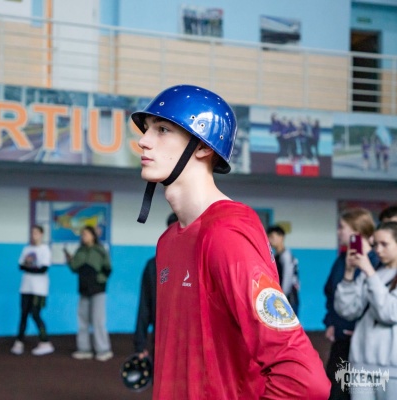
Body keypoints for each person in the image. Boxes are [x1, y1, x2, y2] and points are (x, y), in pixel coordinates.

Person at [131, 84, 330, 398]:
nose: (143, 140)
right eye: (147, 129)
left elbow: (306, 380)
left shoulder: (226, 234)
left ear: (202, 147)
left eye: (163, 130)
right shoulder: (168, 241)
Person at [334, 221, 397, 399]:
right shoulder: (372, 273)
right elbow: (347, 311)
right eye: (375, 244)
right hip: (360, 364)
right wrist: (349, 272)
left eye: (384, 244)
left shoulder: (371, 273)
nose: (378, 250)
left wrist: (369, 272)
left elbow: (389, 313)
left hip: (392, 368)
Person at [324, 207, 379, 400]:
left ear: (357, 231)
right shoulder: (342, 260)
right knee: (335, 390)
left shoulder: (376, 262)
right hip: (342, 340)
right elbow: (331, 292)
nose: (338, 231)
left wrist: (362, 328)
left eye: (342, 227)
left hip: (367, 345)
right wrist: (331, 321)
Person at [65, 225, 113, 362]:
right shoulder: (80, 251)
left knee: (98, 321)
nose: (83, 236)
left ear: (93, 236)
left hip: (98, 290)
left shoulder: (100, 250)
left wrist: (99, 280)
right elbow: (74, 268)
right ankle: (84, 349)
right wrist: (69, 261)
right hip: (84, 290)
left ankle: (103, 350)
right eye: (82, 234)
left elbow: (108, 269)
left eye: (86, 234)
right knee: (83, 321)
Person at [133, 212, 178, 359]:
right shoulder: (153, 266)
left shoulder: (199, 263)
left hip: (192, 341)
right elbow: (145, 306)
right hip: (162, 338)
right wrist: (140, 345)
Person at [10, 225, 54, 356]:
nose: (34, 235)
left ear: (41, 234)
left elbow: (43, 269)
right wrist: (31, 268)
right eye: (32, 233)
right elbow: (20, 266)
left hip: (39, 289)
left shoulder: (45, 249)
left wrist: (28, 267)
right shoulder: (27, 249)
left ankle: (45, 342)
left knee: (35, 314)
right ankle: (19, 342)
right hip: (26, 287)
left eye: (36, 233)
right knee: (23, 314)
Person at [266, 224, 300, 315]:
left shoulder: (285, 256)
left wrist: (281, 298)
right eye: (268, 237)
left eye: (272, 237)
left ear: (281, 237)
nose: (270, 240)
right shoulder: (277, 256)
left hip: (288, 299)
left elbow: (287, 278)